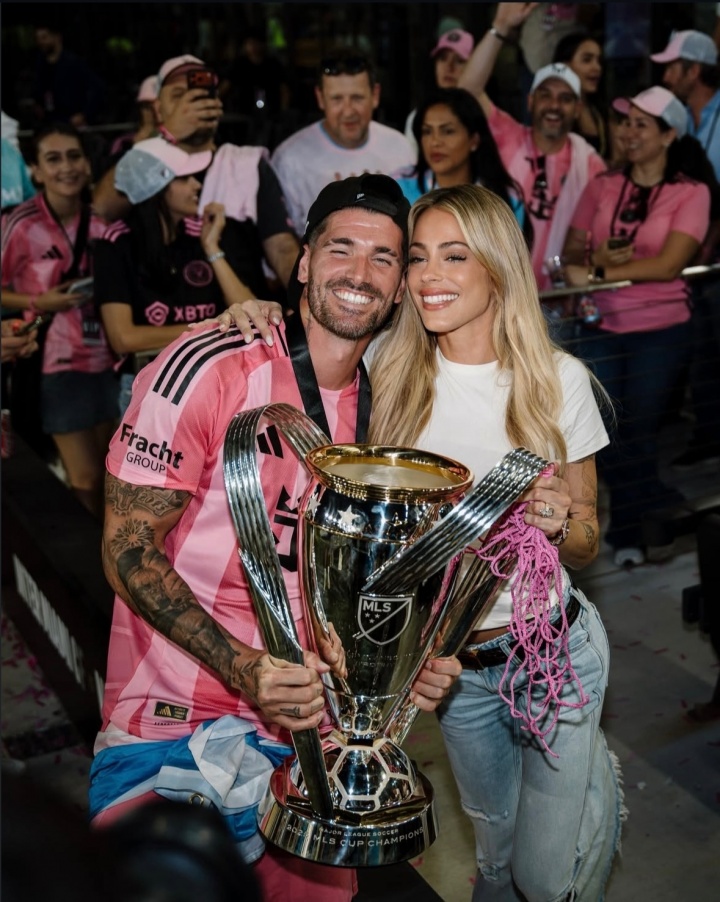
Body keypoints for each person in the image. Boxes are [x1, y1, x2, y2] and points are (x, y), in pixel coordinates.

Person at [88, 173, 460, 902]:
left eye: (384, 257)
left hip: (314, 736)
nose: (359, 272)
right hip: (171, 723)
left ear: (400, 288)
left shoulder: (392, 408)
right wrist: (247, 669)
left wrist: (414, 662)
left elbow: (373, 583)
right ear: (304, 262)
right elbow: (126, 548)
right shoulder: (210, 363)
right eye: (341, 249)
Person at [562, 86, 715, 566]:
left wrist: (599, 271)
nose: (628, 131)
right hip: (600, 325)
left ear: (669, 135)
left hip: (661, 328)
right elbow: (571, 252)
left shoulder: (691, 192)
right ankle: (658, 505)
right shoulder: (602, 184)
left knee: (639, 429)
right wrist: (593, 264)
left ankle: (628, 531)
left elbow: (670, 264)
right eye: (626, 122)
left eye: (641, 124)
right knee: (606, 431)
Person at [457, 1, 605, 343]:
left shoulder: (590, 162)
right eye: (546, 95)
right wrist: (500, 27)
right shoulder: (508, 136)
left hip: (559, 308)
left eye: (565, 98)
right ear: (530, 101)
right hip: (497, 299)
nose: (554, 106)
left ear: (577, 108)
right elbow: (465, 94)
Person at [93, 55, 300, 298]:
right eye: (178, 95)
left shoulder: (246, 163)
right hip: (158, 316)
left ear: (217, 105)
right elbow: (104, 207)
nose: (189, 105)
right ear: (158, 108)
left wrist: (307, 302)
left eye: (201, 95)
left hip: (242, 315)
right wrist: (169, 135)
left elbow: (282, 247)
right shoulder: (140, 161)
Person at [1, 122, 117, 517]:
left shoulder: (101, 224)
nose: (66, 167)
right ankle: (88, 552)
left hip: (107, 359)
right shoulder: (19, 223)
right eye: (53, 159)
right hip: (54, 364)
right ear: (35, 170)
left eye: (74, 156)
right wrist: (39, 300)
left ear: (87, 164)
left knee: (107, 475)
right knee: (85, 479)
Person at [94, 137, 254, 415]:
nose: (197, 185)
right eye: (184, 178)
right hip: (148, 385)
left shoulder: (202, 232)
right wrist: (213, 328)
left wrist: (212, 248)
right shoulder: (115, 244)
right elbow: (123, 338)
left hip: (212, 378)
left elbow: (249, 312)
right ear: (155, 187)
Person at [651, 28, 720, 469]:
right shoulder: (684, 120)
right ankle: (708, 435)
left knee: (710, 352)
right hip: (695, 259)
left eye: (672, 67)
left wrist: (704, 249)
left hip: (711, 260)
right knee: (703, 353)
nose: (666, 75)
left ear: (693, 70)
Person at [270, 48, 415, 236]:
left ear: (375, 95)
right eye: (337, 99)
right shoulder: (289, 159)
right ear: (320, 98)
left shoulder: (401, 148)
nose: (348, 111)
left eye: (357, 98)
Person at [394, 87, 529, 242]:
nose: (435, 142)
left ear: (474, 140)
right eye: (427, 131)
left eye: (448, 131)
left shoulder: (506, 199)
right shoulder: (399, 188)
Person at [404, 29, 476, 155]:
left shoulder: (486, 116)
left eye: (459, 60)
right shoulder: (417, 117)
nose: (449, 67)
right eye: (442, 58)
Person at [32, 21, 106, 128]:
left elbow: (97, 88)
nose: (40, 42)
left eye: (44, 37)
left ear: (57, 37)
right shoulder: (40, 65)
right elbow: (38, 92)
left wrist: (84, 114)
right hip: (51, 123)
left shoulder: (74, 62)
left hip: (73, 122)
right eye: (38, 39)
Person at [552, 31, 609, 158]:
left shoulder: (599, 112)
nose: (597, 67)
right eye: (587, 60)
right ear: (565, 66)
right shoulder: (552, 111)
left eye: (599, 61)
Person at [108, 76, 160, 159]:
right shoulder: (122, 144)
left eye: (159, 107)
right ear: (139, 110)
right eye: (147, 107)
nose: (153, 113)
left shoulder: (176, 142)